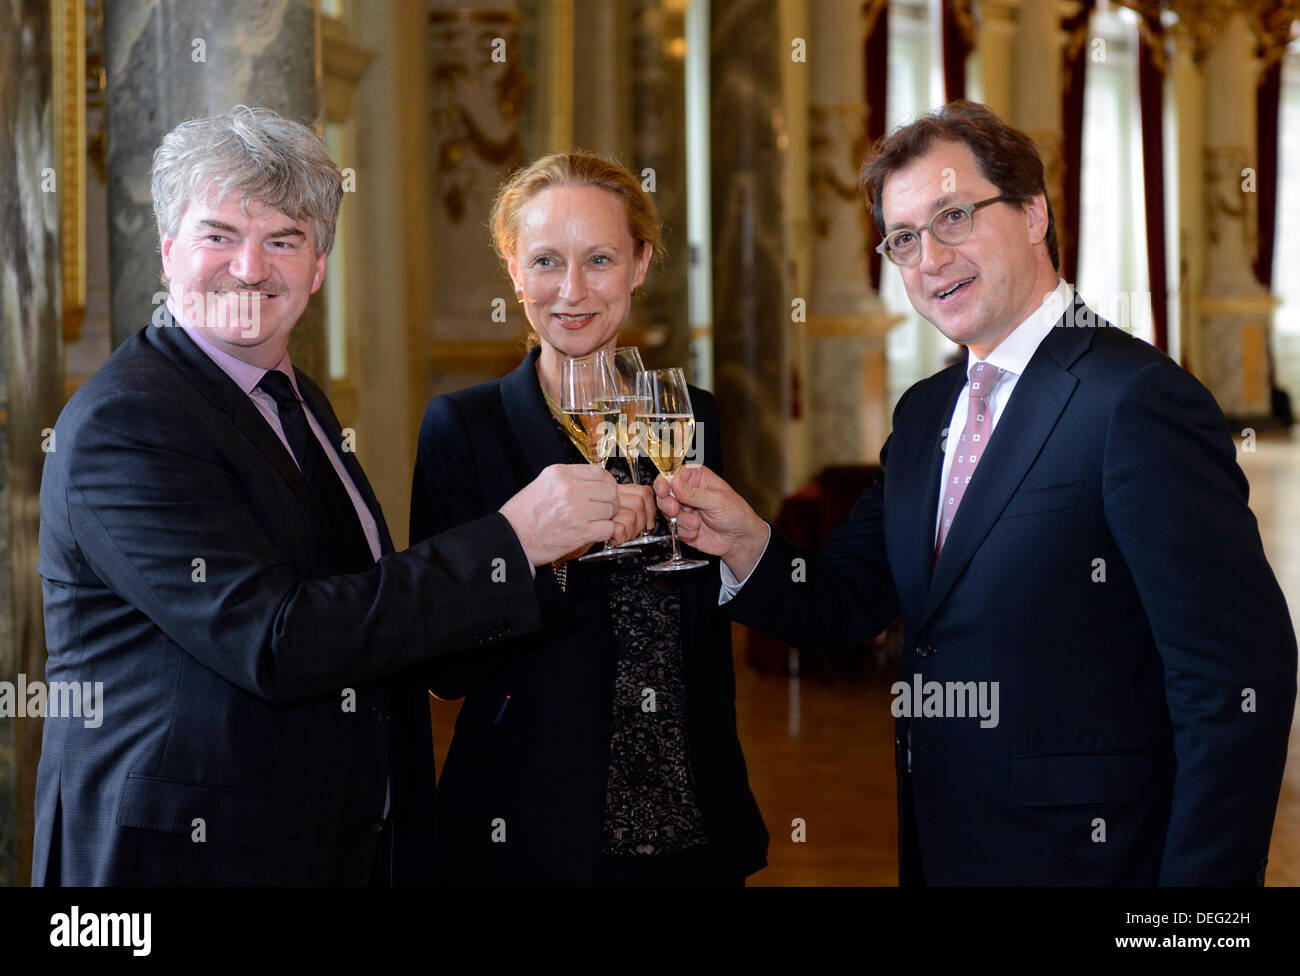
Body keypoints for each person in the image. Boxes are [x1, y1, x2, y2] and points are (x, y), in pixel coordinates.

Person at [654, 101, 1297, 885]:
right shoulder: (925, 412)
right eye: (903, 239)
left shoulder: (1135, 399)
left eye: (953, 216)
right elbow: (849, 599)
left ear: (1033, 213)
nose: (928, 258)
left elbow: (1236, 679)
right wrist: (746, 543)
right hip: (945, 846)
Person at [33, 107, 642, 886]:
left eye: (283, 240)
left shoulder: (291, 397)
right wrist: (512, 541)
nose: (250, 268)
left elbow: (360, 610)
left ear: (318, 267)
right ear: (167, 252)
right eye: (219, 234)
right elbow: (275, 641)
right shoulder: (127, 422)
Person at [410, 151, 768, 885]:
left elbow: (706, 621)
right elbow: (444, 669)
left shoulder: (689, 414)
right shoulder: (462, 429)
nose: (571, 291)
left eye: (599, 259)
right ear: (512, 268)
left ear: (640, 264)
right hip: (533, 829)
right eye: (545, 260)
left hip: (691, 821)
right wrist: (551, 557)